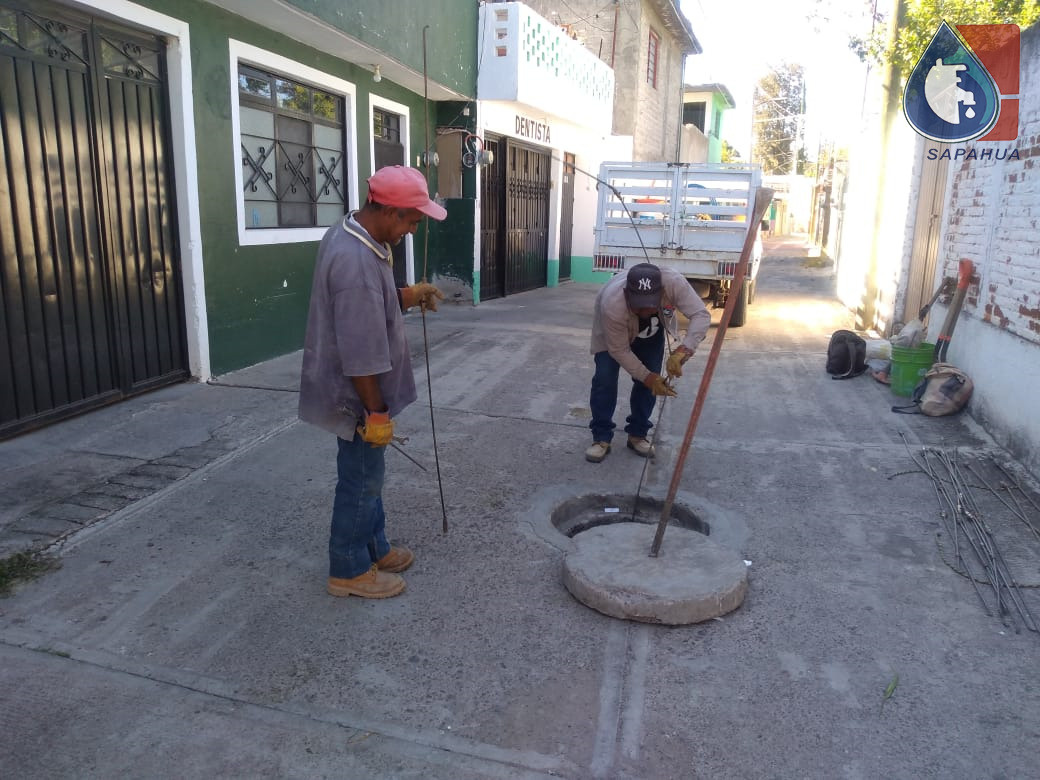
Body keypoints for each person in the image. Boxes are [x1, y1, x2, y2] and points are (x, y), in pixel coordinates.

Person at [299, 165, 446, 599]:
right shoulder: (356, 260)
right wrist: (377, 412)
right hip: (356, 395)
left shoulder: (357, 233)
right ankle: (347, 567)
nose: (413, 230)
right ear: (389, 210)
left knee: (370, 473)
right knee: (361, 477)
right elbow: (360, 354)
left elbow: (372, 302)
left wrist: (408, 294)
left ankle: (373, 546)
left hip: (363, 390)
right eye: (412, 220)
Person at [585, 262, 711, 463]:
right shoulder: (612, 304)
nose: (645, 310)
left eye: (650, 304)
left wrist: (683, 351)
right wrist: (647, 378)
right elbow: (619, 350)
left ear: (660, 293)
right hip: (612, 333)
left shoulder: (673, 283)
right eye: (639, 305)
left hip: (651, 333)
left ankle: (638, 434)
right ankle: (601, 437)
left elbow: (701, 315)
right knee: (605, 379)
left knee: (651, 380)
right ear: (627, 294)